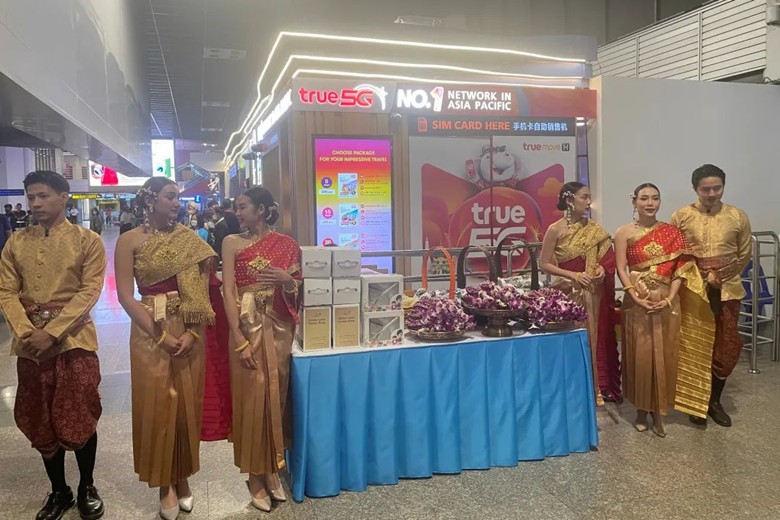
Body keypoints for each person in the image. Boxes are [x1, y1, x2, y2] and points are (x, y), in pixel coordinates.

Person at [0, 171, 106, 520]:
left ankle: (87, 485)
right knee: (40, 417)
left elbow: (90, 290)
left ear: (64, 196)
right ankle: (59, 491)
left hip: (74, 342)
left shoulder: (87, 240)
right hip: (31, 346)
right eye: (31, 197)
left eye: (43, 196)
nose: (35, 204)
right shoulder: (16, 242)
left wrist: (54, 331)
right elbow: (6, 291)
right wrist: (25, 331)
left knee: (80, 412)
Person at [114, 177, 217, 520]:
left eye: (178, 197)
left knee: (187, 404)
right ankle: (164, 483)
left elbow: (202, 293)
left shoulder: (189, 239)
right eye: (170, 196)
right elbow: (125, 296)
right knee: (157, 406)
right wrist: (158, 336)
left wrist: (193, 333)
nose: (177, 203)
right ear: (150, 199)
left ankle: (183, 475)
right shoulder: (129, 240)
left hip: (189, 328)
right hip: (150, 328)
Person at [221, 187, 300, 512]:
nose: (237, 213)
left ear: (263, 209)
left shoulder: (287, 244)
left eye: (243, 207)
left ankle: (271, 467)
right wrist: (238, 337)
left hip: (280, 327)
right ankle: (254, 475)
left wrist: (287, 280)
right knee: (251, 399)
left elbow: (298, 289)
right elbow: (228, 291)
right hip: (247, 326)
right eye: (237, 207)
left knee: (276, 397)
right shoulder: (231, 242)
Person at [615, 183, 715, 437]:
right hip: (636, 300)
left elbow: (682, 268)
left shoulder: (672, 232)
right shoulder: (623, 232)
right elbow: (621, 268)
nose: (650, 203)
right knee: (640, 355)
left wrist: (670, 297)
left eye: (655, 198)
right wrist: (634, 295)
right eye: (644, 198)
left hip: (667, 300)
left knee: (665, 354)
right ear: (634, 202)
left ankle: (660, 411)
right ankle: (641, 409)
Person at [671, 164, 752, 427]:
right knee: (695, 345)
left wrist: (721, 276)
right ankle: (696, 402)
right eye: (706, 189)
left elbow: (744, 255)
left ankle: (714, 401)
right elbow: (675, 254)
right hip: (693, 292)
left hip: (728, 291)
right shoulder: (681, 216)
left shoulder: (737, 216)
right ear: (696, 189)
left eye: (717, 188)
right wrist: (700, 278)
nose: (712, 194)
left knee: (726, 345)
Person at [540, 182, 621, 405]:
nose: (588, 202)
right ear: (569, 200)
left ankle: (600, 387)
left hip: (595, 293)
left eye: (589, 197)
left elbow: (608, 259)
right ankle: (575, 388)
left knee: (599, 336)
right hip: (570, 295)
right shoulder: (555, 230)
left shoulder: (595, 229)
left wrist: (602, 269)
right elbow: (544, 264)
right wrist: (573, 275)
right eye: (584, 197)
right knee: (576, 340)